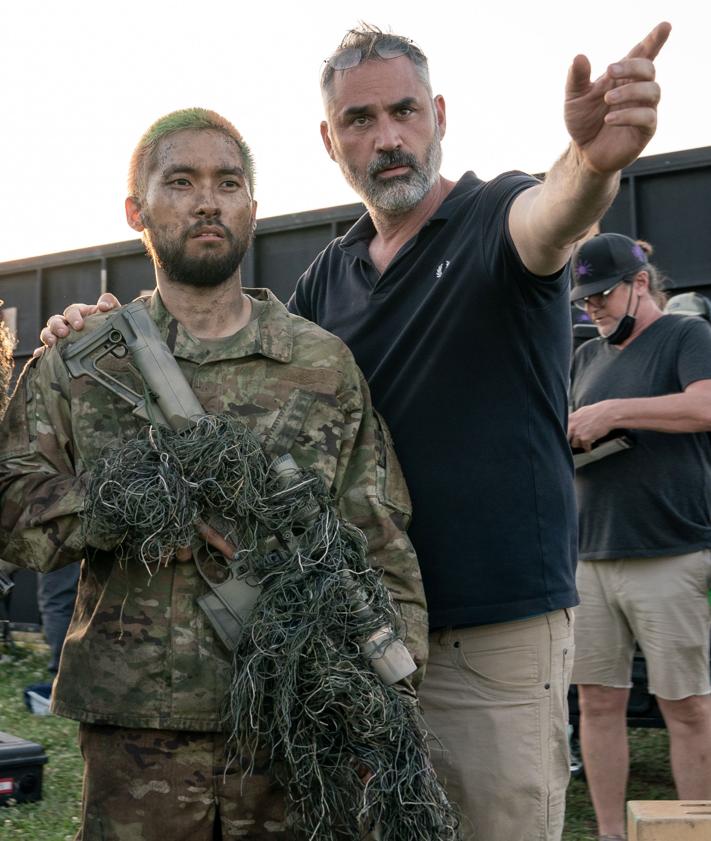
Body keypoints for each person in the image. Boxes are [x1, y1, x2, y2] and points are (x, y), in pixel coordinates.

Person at [43, 22, 671, 841]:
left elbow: (553, 214)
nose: (388, 139)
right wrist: (100, 334)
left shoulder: (492, 219)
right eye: (360, 121)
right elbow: (230, 371)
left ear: (438, 114)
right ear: (328, 140)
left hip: (490, 640)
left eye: (404, 112)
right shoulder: (326, 279)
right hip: (351, 643)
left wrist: (591, 164)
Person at [0, 108, 428, 841]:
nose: (207, 200)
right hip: (139, 732)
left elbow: (378, 538)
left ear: (251, 210)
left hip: (296, 719)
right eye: (181, 181)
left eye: (227, 182)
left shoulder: (320, 365)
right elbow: (12, 517)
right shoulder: (83, 363)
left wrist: (387, 690)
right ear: (136, 209)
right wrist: (122, 503)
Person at [568, 233, 711, 841]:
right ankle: (610, 834)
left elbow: (705, 406)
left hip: (670, 551)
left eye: (601, 295)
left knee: (687, 706)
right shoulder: (584, 357)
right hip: (591, 556)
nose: (593, 308)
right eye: (584, 300)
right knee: (598, 706)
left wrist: (614, 412)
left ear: (641, 282)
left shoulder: (687, 336)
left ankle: (698, 830)